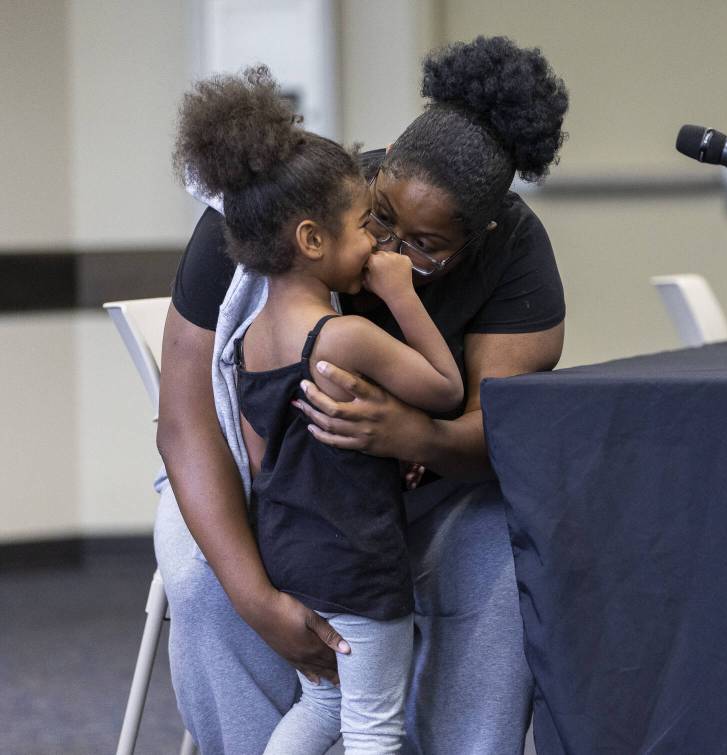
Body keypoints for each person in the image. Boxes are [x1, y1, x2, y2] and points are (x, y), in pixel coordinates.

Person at [155, 35, 568, 755]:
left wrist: (414, 437)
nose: (391, 253)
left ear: (483, 230)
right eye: (379, 219)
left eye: (429, 246)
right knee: (200, 582)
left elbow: (504, 427)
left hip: (417, 491)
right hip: (259, 473)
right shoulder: (280, 206)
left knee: (506, 563)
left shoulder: (516, 251)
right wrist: (257, 597)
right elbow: (188, 425)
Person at [172, 65, 466, 753]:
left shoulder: (245, 342)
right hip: (358, 562)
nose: (378, 244)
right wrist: (401, 294)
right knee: (374, 727)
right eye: (366, 225)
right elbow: (446, 389)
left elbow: (261, 452)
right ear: (311, 239)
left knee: (325, 702)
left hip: (290, 554)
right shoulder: (347, 334)